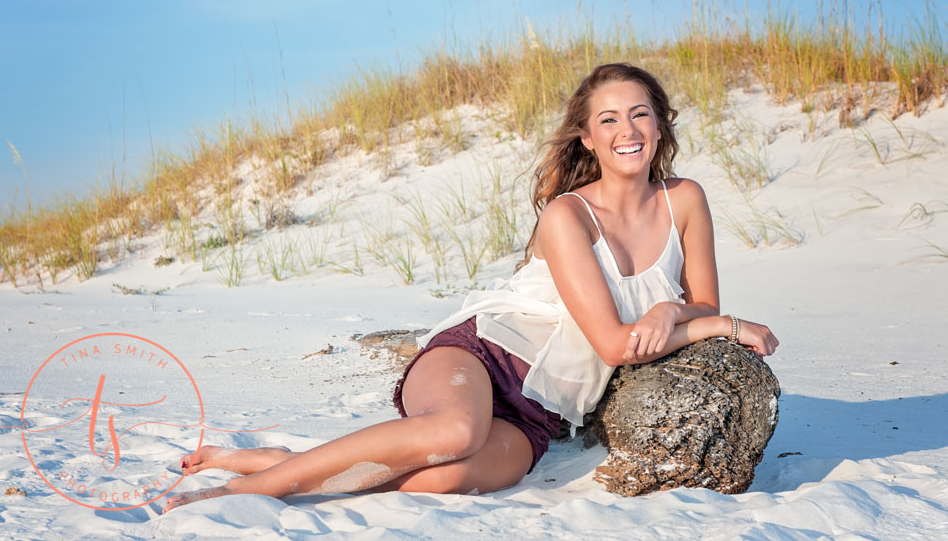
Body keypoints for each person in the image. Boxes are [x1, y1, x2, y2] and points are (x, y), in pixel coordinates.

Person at [162, 62, 779, 513]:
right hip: (485, 357)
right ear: (587, 138)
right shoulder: (567, 215)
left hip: (545, 409)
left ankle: (272, 463)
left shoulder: (686, 200)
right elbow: (619, 346)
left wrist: (683, 310)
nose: (628, 129)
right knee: (452, 435)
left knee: (438, 479)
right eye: (609, 119)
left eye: (640, 113)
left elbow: (700, 303)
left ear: (660, 124)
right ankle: (242, 489)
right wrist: (714, 325)